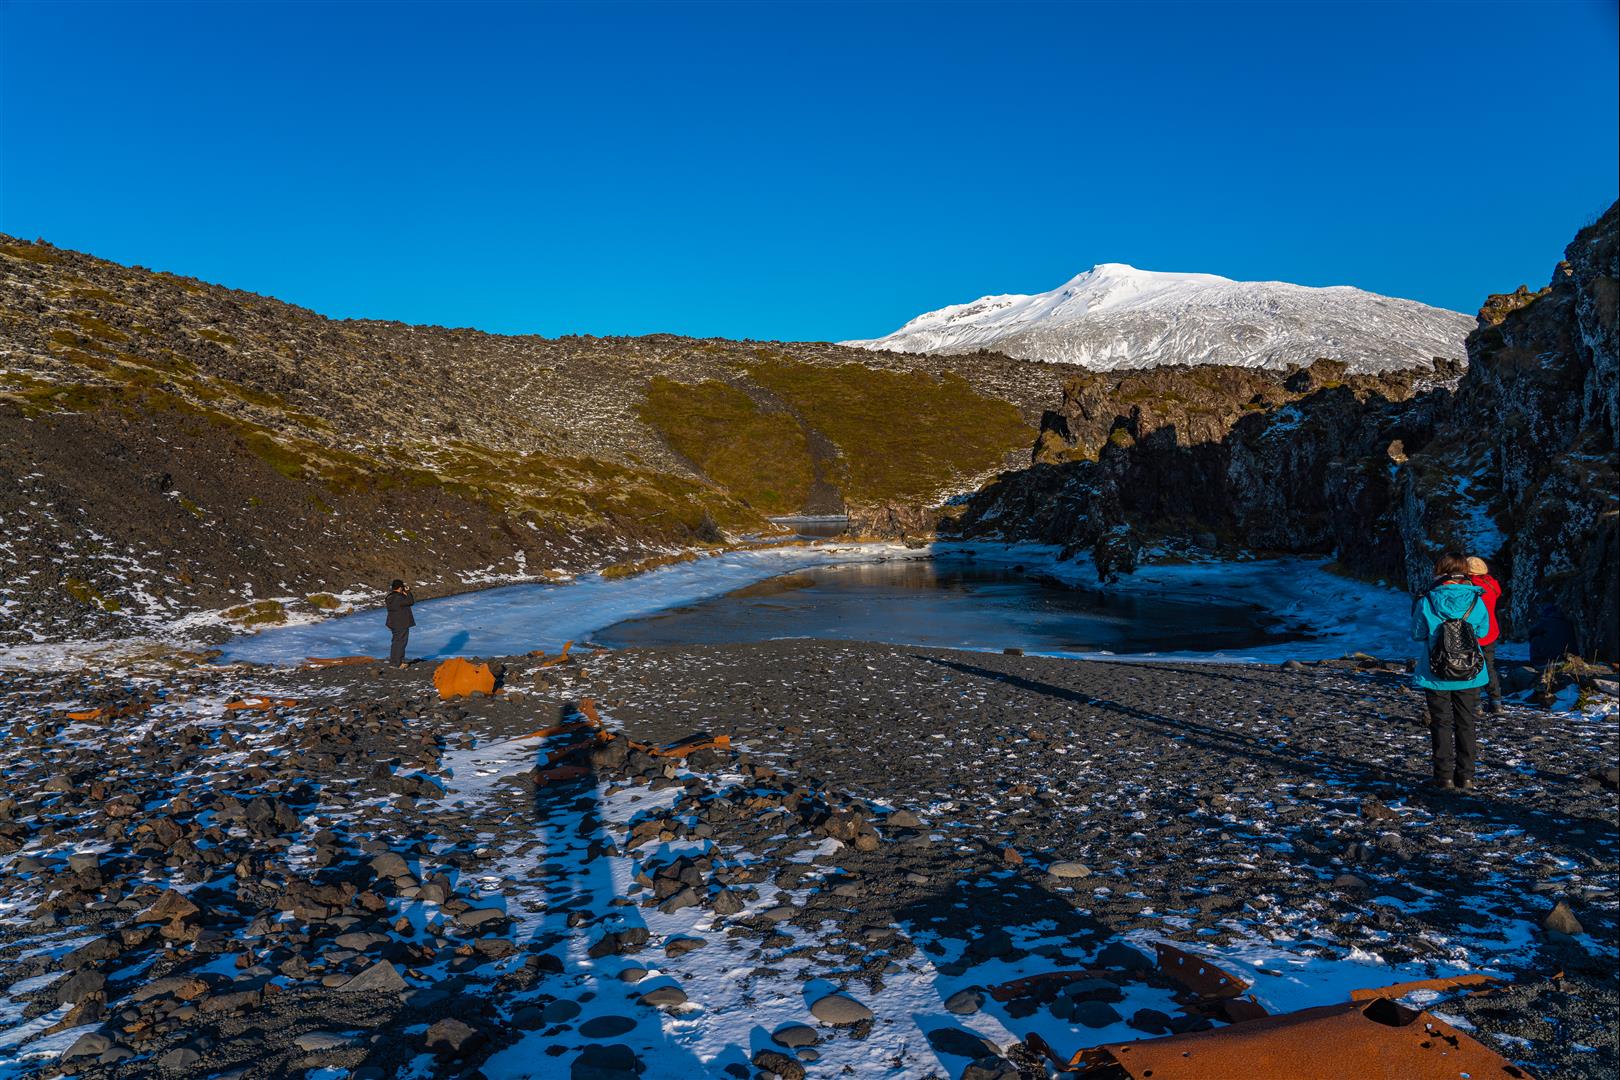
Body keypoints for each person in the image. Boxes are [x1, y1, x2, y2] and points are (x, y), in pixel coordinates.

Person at [1412, 552, 1490, 791]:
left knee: (1440, 723)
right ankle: (1466, 777)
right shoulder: (1476, 599)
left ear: (1441, 572)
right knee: (1467, 723)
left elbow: (1417, 633)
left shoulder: (1428, 599)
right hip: (1469, 671)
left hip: (1436, 672)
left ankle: (1443, 777)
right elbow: (1484, 633)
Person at [1466, 556, 1503, 713]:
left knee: (1473, 667)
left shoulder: (1470, 587)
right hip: (1491, 630)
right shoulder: (1491, 584)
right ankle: (1496, 701)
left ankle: (1476, 704)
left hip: (1475, 631)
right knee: (1489, 666)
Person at [1528, 602, 1575, 668]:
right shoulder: (1567, 622)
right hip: (1567, 656)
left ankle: (1538, 662)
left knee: (1535, 639)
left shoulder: (1546, 621)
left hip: (1550, 658)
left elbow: (1531, 633)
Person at [385, 579, 414, 669]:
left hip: (393, 622)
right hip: (401, 623)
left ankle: (394, 661)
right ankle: (398, 663)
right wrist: (408, 592)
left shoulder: (389, 597)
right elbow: (410, 602)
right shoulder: (399, 598)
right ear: (400, 588)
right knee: (401, 642)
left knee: (395, 642)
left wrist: (403, 593)